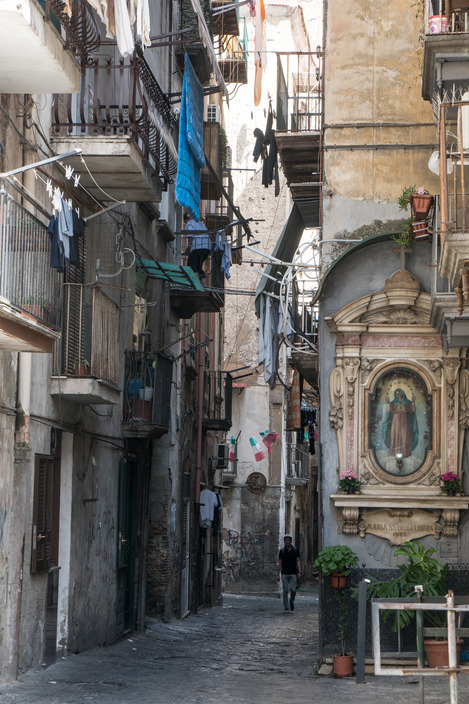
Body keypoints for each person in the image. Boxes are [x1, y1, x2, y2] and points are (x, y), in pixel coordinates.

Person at [384, 387, 418, 458]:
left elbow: (413, 410)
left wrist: (413, 402)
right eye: (396, 394)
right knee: (396, 434)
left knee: (404, 434)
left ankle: (405, 452)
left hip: (404, 420)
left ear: (402, 393)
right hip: (395, 420)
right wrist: (387, 402)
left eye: (399, 393)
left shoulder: (407, 402)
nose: (398, 395)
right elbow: (389, 411)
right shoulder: (393, 403)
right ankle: (395, 452)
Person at [276, 534, 301, 612]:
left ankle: (291, 601)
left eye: (288, 540)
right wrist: (278, 574)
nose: (287, 541)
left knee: (293, 590)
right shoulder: (282, 551)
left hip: (293, 573)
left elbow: (298, 561)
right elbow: (280, 563)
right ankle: (286, 607)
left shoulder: (295, 550)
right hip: (284, 573)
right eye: (285, 540)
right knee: (285, 590)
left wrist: (300, 572)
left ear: (291, 541)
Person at [185, 216, 211, 282]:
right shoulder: (201, 224)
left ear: (186, 220)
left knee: (190, 266)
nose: (185, 223)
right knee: (198, 267)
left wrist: (188, 248)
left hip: (198, 247)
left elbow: (190, 236)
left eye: (185, 222)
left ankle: (194, 284)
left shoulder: (190, 223)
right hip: (206, 248)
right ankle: (204, 285)